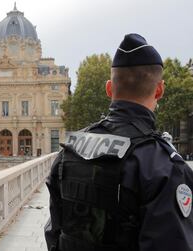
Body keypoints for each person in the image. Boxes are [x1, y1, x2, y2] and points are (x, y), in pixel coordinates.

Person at [44, 33, 193, 251]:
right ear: (159, 90)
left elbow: (54, 233)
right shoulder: (163, 166)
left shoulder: (70, 149)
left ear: (109, 89)